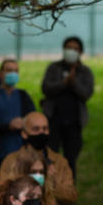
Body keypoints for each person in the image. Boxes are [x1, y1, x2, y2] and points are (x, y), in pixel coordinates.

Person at [0, 112, 79, 205]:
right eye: (36, 129)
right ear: (24, 133)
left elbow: (71, 197)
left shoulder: (59, 162)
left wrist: (51, 182)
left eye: (45, 129)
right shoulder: (11, 160)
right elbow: (1, 195)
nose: (41, 133)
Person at [40, 37, 95, 178]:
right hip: (53, 120)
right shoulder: (54, 68)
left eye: (75, 49)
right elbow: (46, 88)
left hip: (74, 122)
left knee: (70, 160)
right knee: (50, 157)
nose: (71, 51)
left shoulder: (85, 72)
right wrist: (64, 82)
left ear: (80, 51)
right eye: (68, 48)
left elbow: (86, 93)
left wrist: (74, 81)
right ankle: (49, 191)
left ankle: (68, 191)